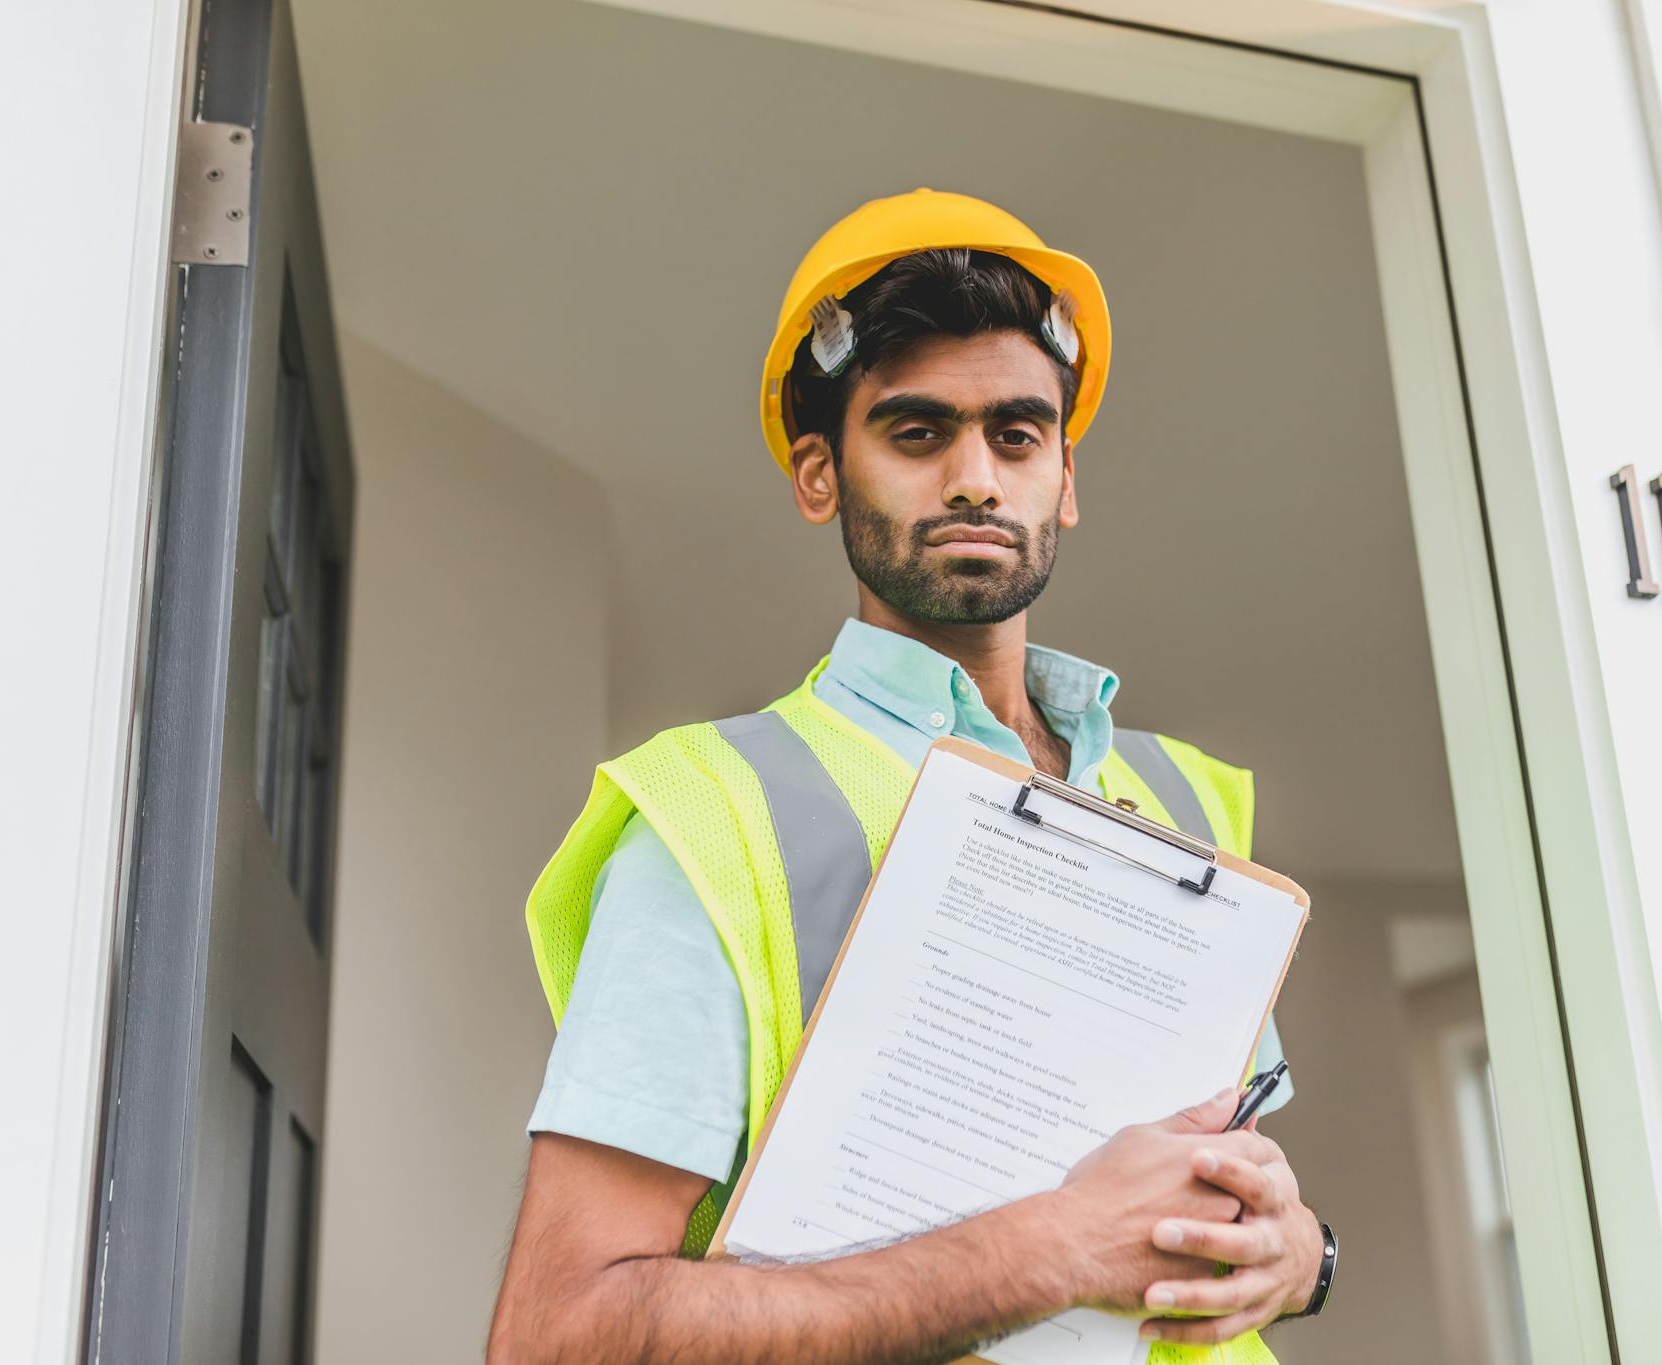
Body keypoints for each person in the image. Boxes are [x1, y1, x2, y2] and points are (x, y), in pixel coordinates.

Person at [487, 189, 1334, 1365]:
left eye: (1017, 436)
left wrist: (1300, 1261)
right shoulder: (715, 815)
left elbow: (1209, 1198)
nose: (977, 479)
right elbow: (560, 1336)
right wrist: (1054, 1251)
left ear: (1065, 482)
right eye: (918, 433)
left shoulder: (1185, 800)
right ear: (820, 476)